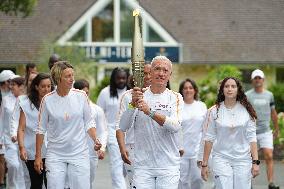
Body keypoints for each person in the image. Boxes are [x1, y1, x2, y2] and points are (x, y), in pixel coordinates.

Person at [119, 55, 184, 189]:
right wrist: (132, 105)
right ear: (150, 72)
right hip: (143, 167)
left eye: (165, 71)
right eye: (157, 69)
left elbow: (175, 126)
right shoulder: (138, 95)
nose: (161, 73)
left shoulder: (175, 97)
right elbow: (123, 126)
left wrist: (150, 112)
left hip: (168, 167)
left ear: (170, 75)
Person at [34, 61, 101, 189]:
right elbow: (40, 130)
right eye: (68, 76)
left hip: (79, 153)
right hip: (55, 155)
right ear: (58, 78)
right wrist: (38, 156)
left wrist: (95, 138)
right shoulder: (47, 100)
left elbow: (89, 122)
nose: (72, 79)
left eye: (72, 75)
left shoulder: (81, 96)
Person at [201, 77, 259, 189]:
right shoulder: (214, 110)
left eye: (233, 86)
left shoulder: (247, 110)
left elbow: (252, 138)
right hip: (221, 159)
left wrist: (255, 162)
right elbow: (209, 139)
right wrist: (204, 164)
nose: (230, 89)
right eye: (226, 86)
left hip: (243, 160)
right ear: (222, 90)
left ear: (238, 90)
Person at [116, 63, 152, 188]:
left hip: (154, 149)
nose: (147, 77)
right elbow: (119, 127)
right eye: (143, 74)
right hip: (133, 148)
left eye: (149, 73)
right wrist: (122, 148)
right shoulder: (127, 97)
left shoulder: (161, 96)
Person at [17, 73, 54, 189]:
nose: (46, 89)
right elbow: (21, 128)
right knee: (36, 184)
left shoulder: (55, 102)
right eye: (43, 86)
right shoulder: (26, 104)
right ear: (36, 87)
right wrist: (21, 147)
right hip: (32, 151)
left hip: (52, 150)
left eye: (49, 86)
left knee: (52, 183)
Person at [246, 69, 280, 189]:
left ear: (263, 80)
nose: (257, 80)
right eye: (255, 78)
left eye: (259, 78)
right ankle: (248, 184)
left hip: (265, 131)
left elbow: (273, 112)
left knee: (269, 156)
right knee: (249, 158)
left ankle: (270, 183)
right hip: (251, 132)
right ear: (252, 80)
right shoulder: (247, 95)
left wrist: (276, 129)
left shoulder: (269, 95)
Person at [97, 67, 129, 189]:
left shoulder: (131, 92)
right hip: (112, 133)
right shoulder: (105, 93)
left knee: (126, 167)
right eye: (118, 78)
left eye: (123, 78)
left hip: (129, 134)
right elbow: (99, 115)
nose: (121, 80)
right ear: (113, 79)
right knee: (116, 164)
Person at [73, 79, 108, 189]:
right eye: (81, 93)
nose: (84, 96)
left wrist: (102, 148)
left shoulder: (97, 110)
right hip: (73, 153)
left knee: (87, 183)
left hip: (91, 154)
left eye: (86, 93)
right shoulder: (69, 109)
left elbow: (103, 131)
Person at [178, 78, 207, 189]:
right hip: (181, 151)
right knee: (182, 181)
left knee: (198, 180)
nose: (188, 90)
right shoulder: (178, 107)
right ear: (181, 91)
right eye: (185, 88)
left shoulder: (201, 106)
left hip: (197, 151)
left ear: (195, 90)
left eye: (190, 88)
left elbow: (206, 130)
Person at [0, 76, 26, 189]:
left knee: (21, 168)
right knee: (13, 165)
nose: (11, 87)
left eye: (14, 85)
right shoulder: (6, 100)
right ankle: (11, 186)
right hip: (8, 139)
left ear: (21, 87)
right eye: (10, 84)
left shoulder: (26, 100)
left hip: (23, 139)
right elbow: (1, 120)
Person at [0, 69, 15, 188]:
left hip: (11, 137)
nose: (12, 84)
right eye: (10, 81)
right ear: (5, 82)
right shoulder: (2, 97)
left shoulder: (14, 95)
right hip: (4, 135)